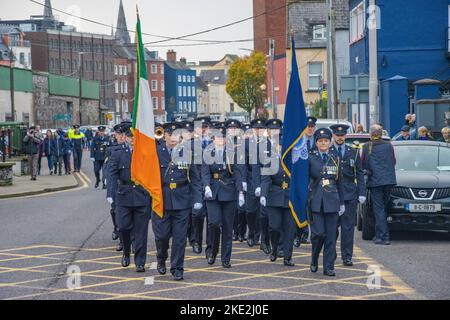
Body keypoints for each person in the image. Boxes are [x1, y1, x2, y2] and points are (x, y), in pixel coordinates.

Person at [153, 122, 202, 281]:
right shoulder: (156, 152)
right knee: (162, 236)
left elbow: (195, 178)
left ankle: (177, 268)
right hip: (162, 200)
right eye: (170, 134)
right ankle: (161, 258)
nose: (173, 138)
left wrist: (197, 199)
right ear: (164, 135)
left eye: (177, 135)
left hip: (182, 199)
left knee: (180, 238)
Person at [107, 122, 151, 273]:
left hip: (142, 194)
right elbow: (112, 175)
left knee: (141, 231)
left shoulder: (145, 153)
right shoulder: (117, 154)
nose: (132, 139)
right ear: (125, 137)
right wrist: (110, 194)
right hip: (123, 195)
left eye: (135, 137)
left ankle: (140, 261)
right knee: (123, 227)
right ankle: (126, 251)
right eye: (130, 136)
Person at [202, 122, 245, 268]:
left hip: (229, 190)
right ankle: (212, 251)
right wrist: (206, 186)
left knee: (227, 227)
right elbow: (205, 171)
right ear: (213, 139)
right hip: (213, 191)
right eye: (218, 137)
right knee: (214, 223)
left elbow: (238, 173)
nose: (221, 140)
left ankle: (226, 258)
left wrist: (240, 192)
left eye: (223, 137)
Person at [260, 121, 297, 266]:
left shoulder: (292, 159)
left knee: (289, 228)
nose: (280, 147)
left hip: (289, 195)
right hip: (274, 195)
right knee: (275, 226)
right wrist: (263, 194)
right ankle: (275, 248)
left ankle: (287, 256)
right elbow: (266, 177)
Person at [309, 128, 345, 277]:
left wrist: (342, 202)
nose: (323, 143)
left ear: (330, 143)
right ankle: (315, 257)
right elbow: (305, 179)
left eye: (326, 141)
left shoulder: (335, 158)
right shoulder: (310, 158)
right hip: (316, 201)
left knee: (331, 236)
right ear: (316, 143)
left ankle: (328, 267)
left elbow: (340, 182)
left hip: (332, 201)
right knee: (319, 234)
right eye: (320, 141)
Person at [330, 124, 366, 266]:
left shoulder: (354, 152)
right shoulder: (328, 151)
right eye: (337, 135)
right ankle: (331, 253)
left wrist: (362, 192)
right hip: (332, 195)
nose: (340, 137)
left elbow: (360, 173)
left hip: (350, 194)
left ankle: (347, 256)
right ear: (333, 136)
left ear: (345, 136)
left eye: (342, 135)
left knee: (348, 228)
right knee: (332, 228)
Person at [361, 124, 397, 245]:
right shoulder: (389, 145)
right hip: (389, 181)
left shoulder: (366, 146)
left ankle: (384, 237)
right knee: (382, 209)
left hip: (376, 181)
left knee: (379, 209)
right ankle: (378, 234)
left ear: (371, 134)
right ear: (381, 134)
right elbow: (394, 161)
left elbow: (363, 163)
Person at [294, 116, 317, 248]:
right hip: (301, 179)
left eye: (312, 127)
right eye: (307, 127)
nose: (309, 129)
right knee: (300, 206)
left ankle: (313, 234)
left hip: (314, 181)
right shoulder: (299, 142)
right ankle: (300, 234)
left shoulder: (318, 141)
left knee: (313, 209)